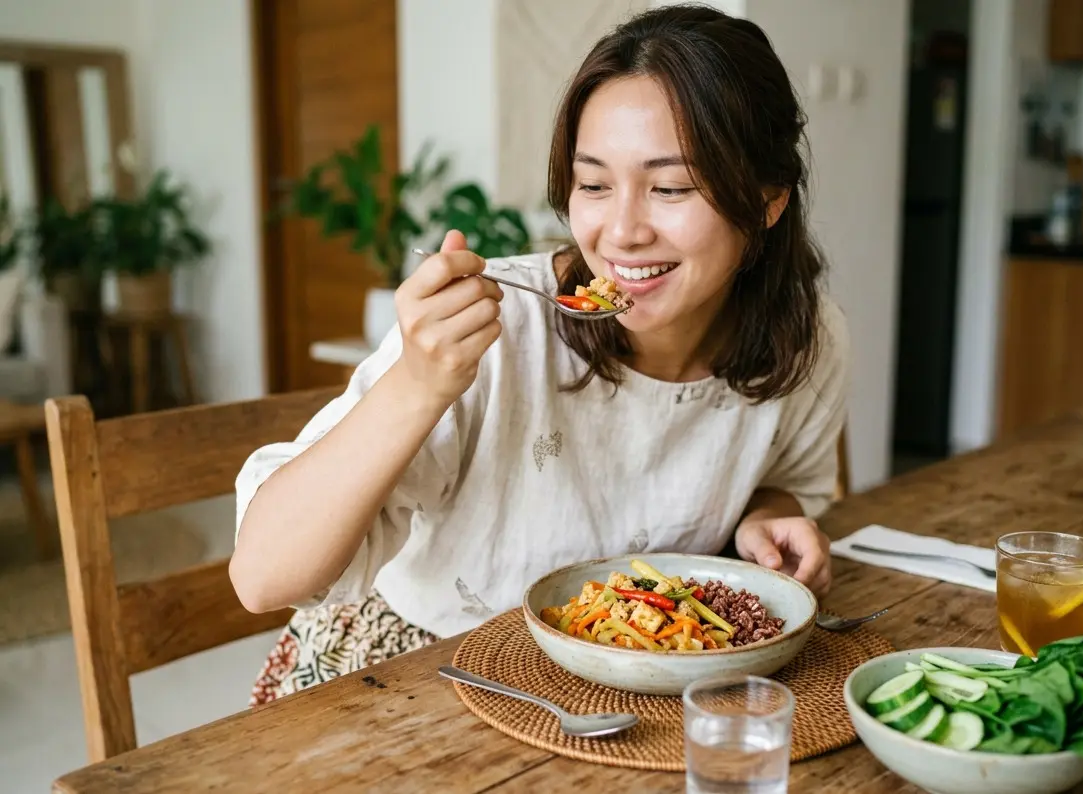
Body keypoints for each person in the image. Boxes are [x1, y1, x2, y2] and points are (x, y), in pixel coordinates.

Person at [231, 3, 849, 705]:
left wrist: (766, 514)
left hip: (630, 691)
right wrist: (416, 383)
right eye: (592, 184)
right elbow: (263, 578)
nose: (619, 232)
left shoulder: (807, 338)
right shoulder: (496, 328)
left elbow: (784, 478)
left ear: (768, 203)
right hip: (413, 673)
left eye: (671, 188)